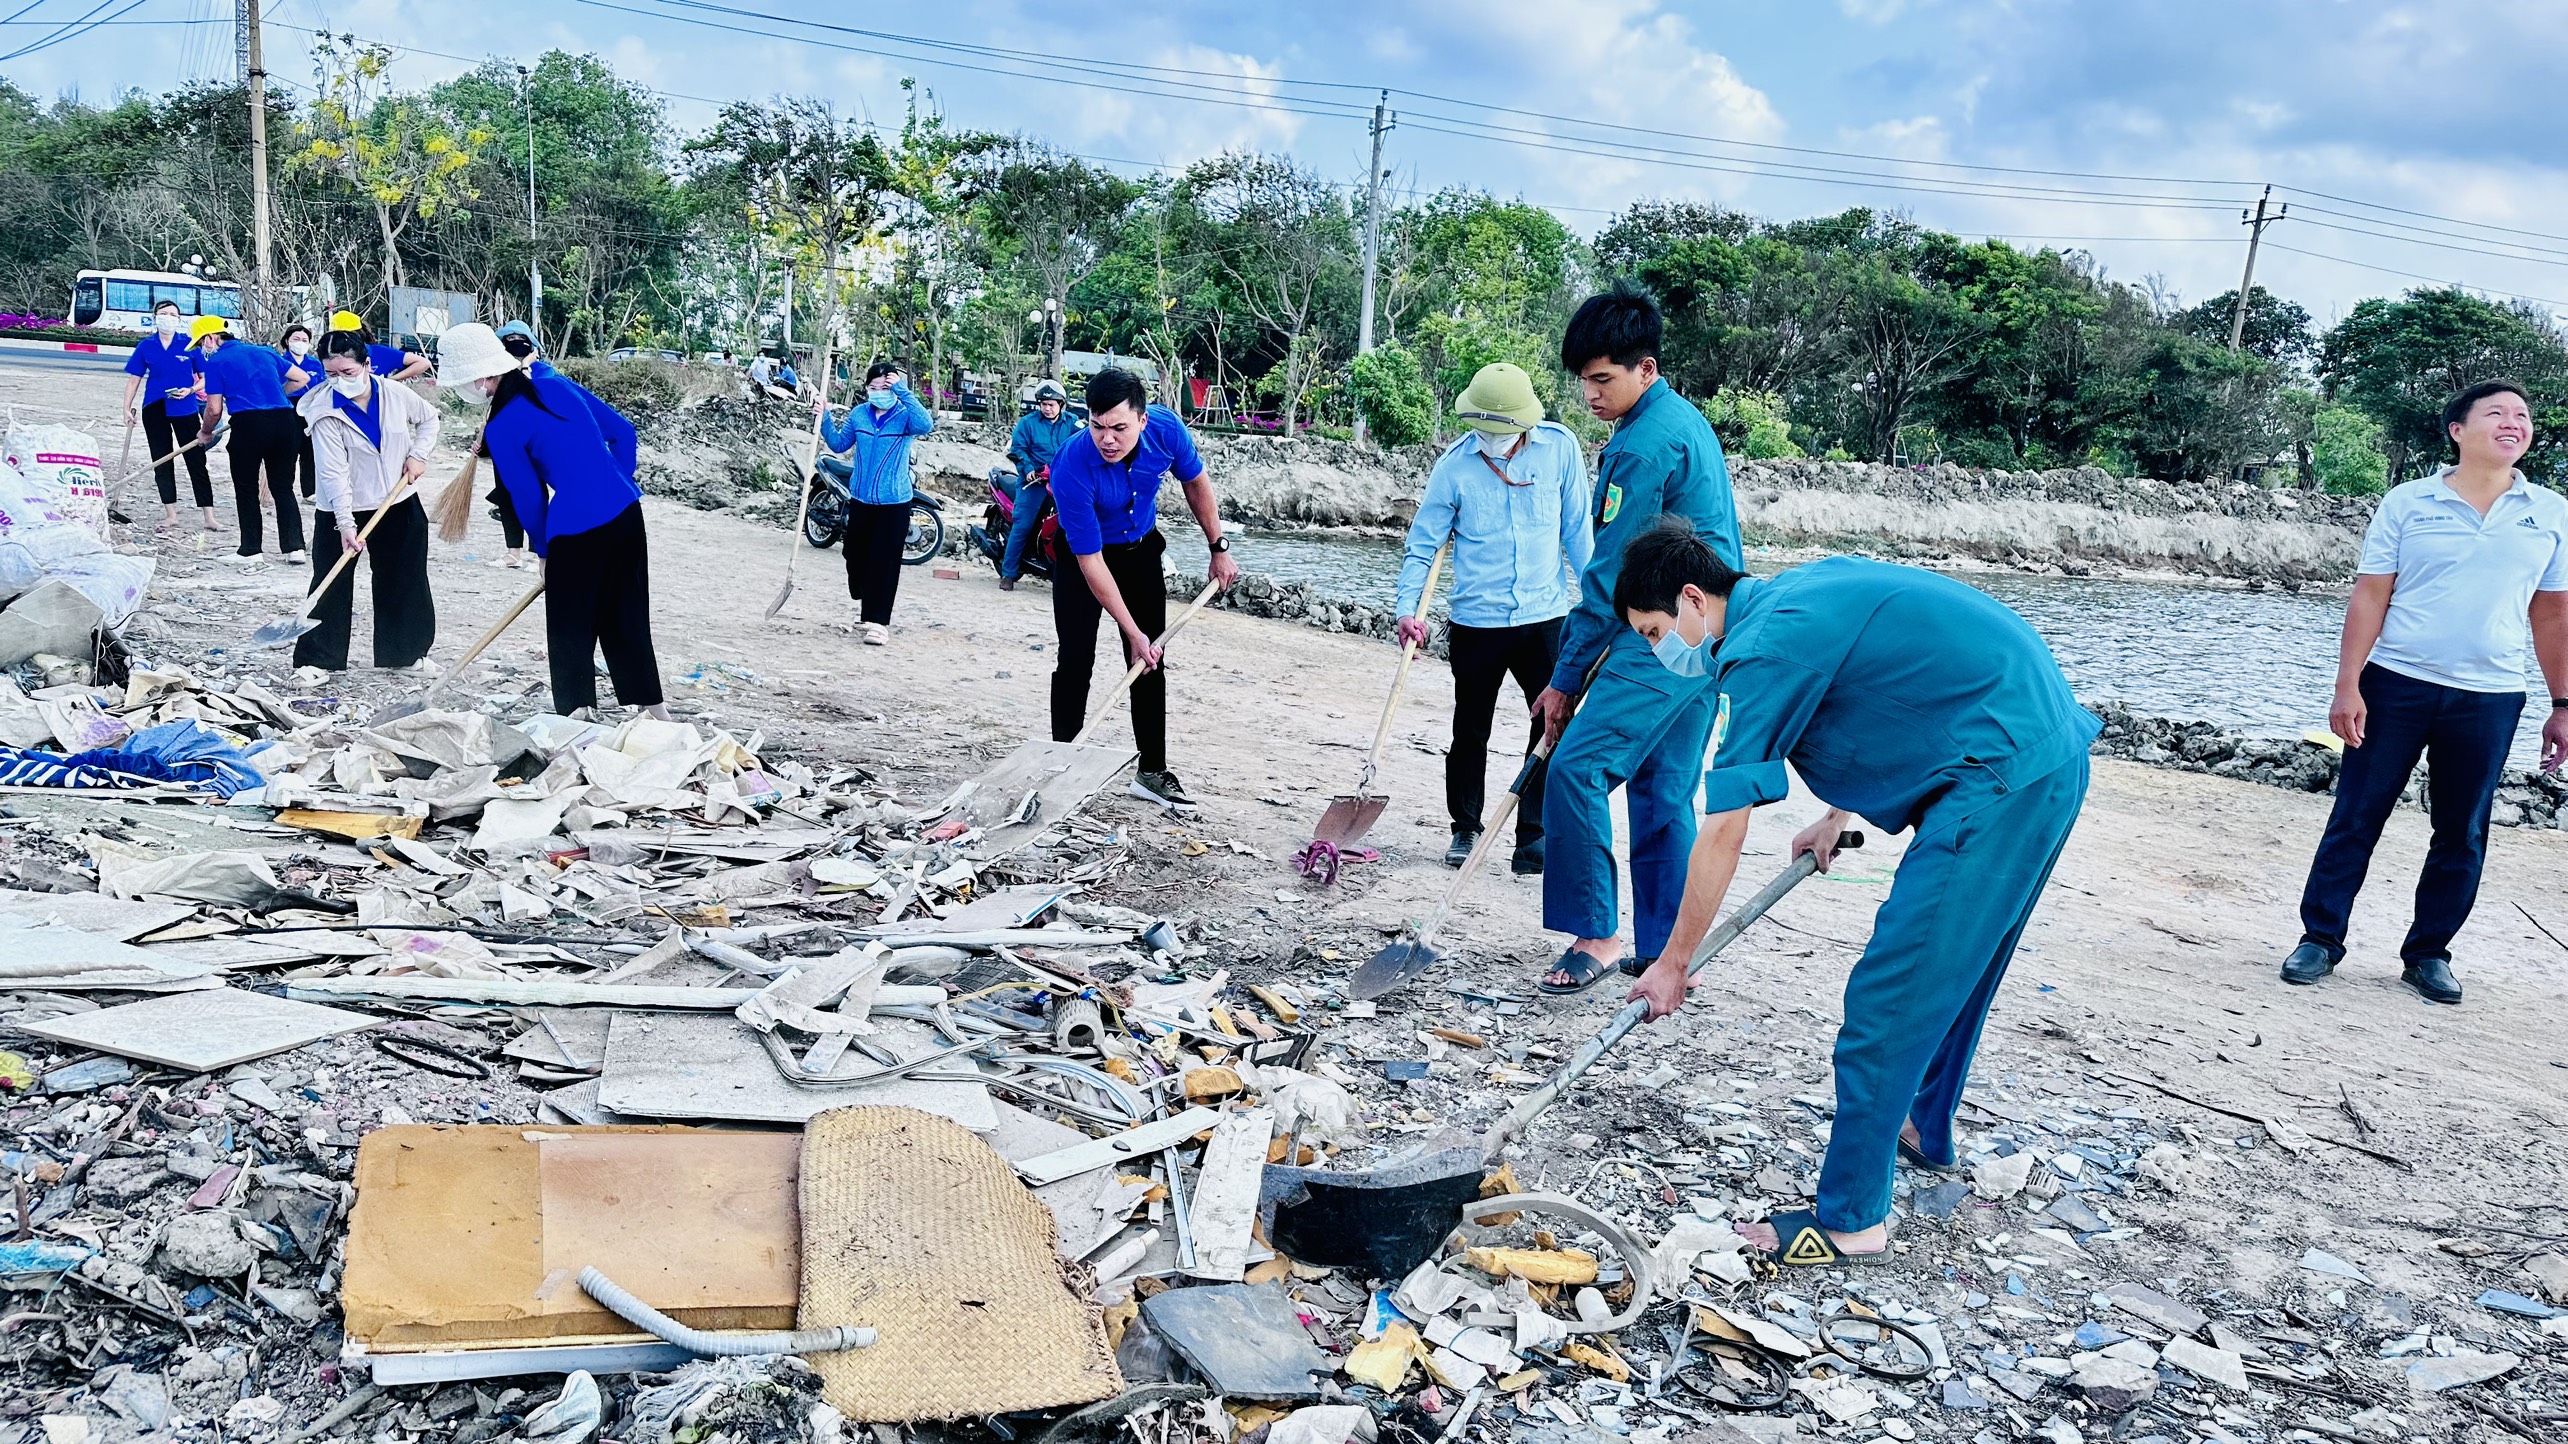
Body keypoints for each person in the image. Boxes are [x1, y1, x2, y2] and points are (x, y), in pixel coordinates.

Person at [1617, 519, 2098, 1267]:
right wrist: (1835, 816)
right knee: (1955, 972)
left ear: (1691, 598)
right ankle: (1922, 1125)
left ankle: (1851, 1221)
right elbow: (1885, 682)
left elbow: (1722, 833)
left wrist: (1673, 962)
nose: (1661, 650)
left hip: (2000, 777)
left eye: (1654, 631)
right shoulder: (1793, 594)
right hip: (2043, 749)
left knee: (1891, 995)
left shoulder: (1761, 648)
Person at [2282, 381, 2568, 1005]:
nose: (2513, 423)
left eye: (2522, 416)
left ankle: (2428, 953)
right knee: (2356, 815)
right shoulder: (2410, 502)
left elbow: (2551, 614)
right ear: (2458, 431)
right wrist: (2348, 685)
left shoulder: (2551, 512)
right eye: (2496, 413)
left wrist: (2562, 704)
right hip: (2396, 685)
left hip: (2490, 695)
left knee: (2462, 830)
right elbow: (2370, 595)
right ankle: (2320, 938)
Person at [1535, 287, 1740, 994]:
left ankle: (1596, 935)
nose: (1590, 395)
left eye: (1602, 380)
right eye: (1584, 381)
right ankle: (1662, 952)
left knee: (1577, 769)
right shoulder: (1681, 420)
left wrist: (1564, 678)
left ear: (1644, 368)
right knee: (1661, 793)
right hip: (1707, 637)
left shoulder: (1646, 445)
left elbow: (1607, 574)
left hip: (1662, 639)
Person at [1393, 362, 1592, 873]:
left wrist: (1600, 604)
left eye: (1504, 430)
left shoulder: (1560, 449)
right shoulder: (1454, 468)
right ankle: (1465, 827)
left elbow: (1578, 533)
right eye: (1487, 429)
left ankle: (1532, 835)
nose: (1495, 439)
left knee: (1553, 721)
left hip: (1545, 616)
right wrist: (1407, 611)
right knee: (1470, 727)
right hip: (1476, 623)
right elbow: (1423, 545)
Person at [438, 322, 671, 721]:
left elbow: (529, 498)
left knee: (570, 628)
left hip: (576, 530)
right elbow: (624, 432)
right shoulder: (558, 384)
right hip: (627, 513)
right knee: (626, 615)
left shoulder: (502, 425)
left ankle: (576, 717)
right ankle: (655, 712)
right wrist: (614, 481)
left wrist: (543, 552)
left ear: (482, 378)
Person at [1044, 366, 1238, 810]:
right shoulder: (1071, 464)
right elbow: (1091, 561)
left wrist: (1218, 547)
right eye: (1097, 426)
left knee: (1151, 663)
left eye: (1119, 428)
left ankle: (1152, 771)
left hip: (1140, 550)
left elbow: (1195, 482)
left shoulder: (1167, 429)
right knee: (1075, 659)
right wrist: (1132, 632)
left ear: (1142, 420)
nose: (1107, 439)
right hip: (1083, 560)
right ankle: (1064, 762)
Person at [292, 329, 439, 675]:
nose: (339, 381)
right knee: (331, 581)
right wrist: (346, 524)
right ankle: (318, 660)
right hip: (340, 508)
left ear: (367, 365)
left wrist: (418, 455)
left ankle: (404, 655)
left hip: (397, 500)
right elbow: (333, 473)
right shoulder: (323, 411)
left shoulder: (395, 393)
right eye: (330, 374)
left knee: (403, 578)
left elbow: (429, 419)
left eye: (348, 372)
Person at [817, 361, 935, 645]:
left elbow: (926, 424)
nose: (879, 391)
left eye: (886, 386)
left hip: (895, 502)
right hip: (860, 498)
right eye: (874, 387)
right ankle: (864, 600)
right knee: (853, 556)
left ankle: (878, 622)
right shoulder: (859, 415)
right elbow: (838, 444)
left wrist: (903, 391)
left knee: (884, 562)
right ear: (867, 388)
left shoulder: (905, 416)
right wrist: (824, 417)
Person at [191, 315, 310, 563]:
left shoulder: (216, 362)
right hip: (284, 420)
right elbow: (302, 378)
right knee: (283, 487)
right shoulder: (264, 352)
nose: (202, 348)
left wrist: (205, 432)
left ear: (211, 338)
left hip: (248, 425)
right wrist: (277, 393)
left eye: (201, 342)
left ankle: (251, 550)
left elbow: (213, 409)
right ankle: (294, 547)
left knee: (246, 488)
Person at [121, 299, 216, 535]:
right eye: (163, 313)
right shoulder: (146, 346)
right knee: (162, 459)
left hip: (184, 407)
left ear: (179, 319)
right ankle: (171, 514)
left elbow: (206, 378)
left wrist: (192, 390)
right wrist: (126, 407)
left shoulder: (189, 345)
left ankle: (209, 515)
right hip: (154, 407)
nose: (168, 317)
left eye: (173, 314)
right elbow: (134, 379)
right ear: (155, 317)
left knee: (195, 459)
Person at [478, 320, 551, 569]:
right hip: (506, 448)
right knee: (506, 495)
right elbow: (493, 412)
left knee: (534, 495)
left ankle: (538, 553)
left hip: (533, 448)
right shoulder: (498, 377)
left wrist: (525, 367)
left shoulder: (544, 373)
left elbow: (539, 402)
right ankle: (513, 552)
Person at [999, 379, 1080, 589]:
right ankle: (1008, 573)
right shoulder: (1028, 423)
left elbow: (1086, 443)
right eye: (1043, 404)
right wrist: (1028, 470)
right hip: (1033, 483)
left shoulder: (1073, 423)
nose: (1047, 408)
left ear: (1061, 404)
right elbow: (1017, 449)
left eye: (1052, 404)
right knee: (1023, 525)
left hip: (1061, 483)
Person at [330, 310, 431, 382]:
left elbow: (423, 363)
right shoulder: (329, 360)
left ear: (357, 333)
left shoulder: (380, 353)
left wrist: (391, 380)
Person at [278, 323, 319, 499]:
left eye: (304, 340)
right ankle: (284, 489)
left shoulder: (316, 364)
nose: (300, 343)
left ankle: (310, 491)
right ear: (287, 341)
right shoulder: (281, 362)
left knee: (309, 452)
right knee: (288, 450)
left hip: (311, 408)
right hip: (288, 407)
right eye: (296, 339)